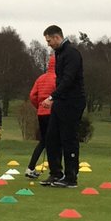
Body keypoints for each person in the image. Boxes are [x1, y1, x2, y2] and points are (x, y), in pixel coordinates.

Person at [41, 25, 86, 188]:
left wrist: (52, 97)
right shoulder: (58, 54)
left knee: (68, 138)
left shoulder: (72, 53)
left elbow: (68, 80)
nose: (48, 44)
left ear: (57, 37)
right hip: (61, 101)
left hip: (73, 101)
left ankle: (71, 176)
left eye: (49, 40)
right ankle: (56, 173)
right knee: (51, 137)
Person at [25, 55, 56, 178]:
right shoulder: (58, 78)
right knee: (54, 142)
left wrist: (39, 106)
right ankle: (55, 172)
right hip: (53, 113)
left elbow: (33, 95)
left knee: (43, 141)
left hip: (41, 113)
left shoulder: (40, 78)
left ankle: (30, 167)